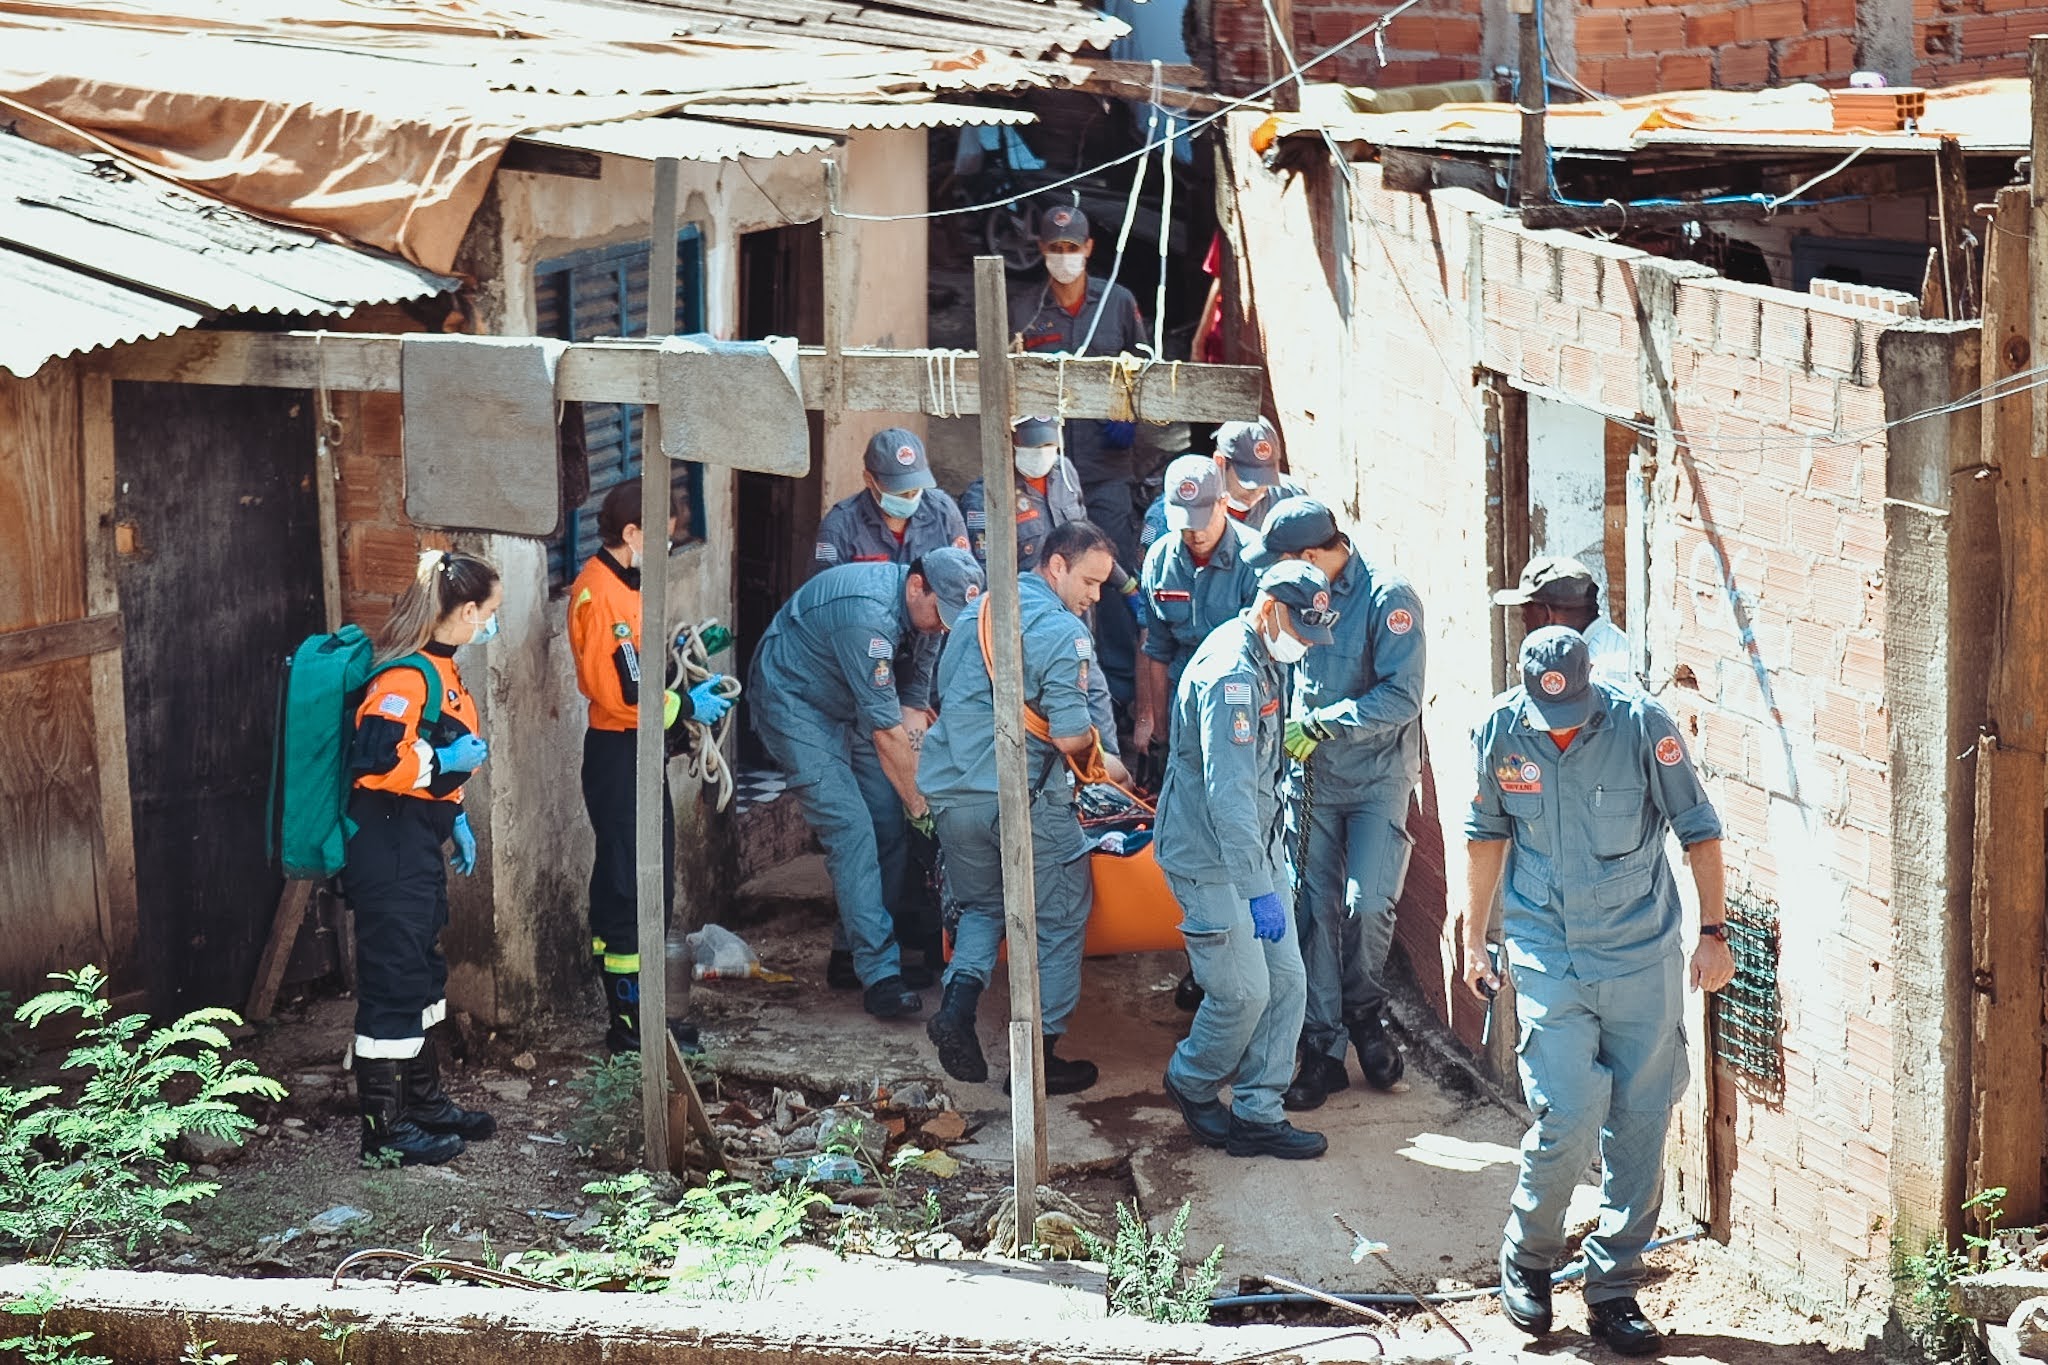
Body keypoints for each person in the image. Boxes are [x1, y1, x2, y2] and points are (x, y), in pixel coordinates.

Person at [1463, 627, 1734, 1355]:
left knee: (1642, 1120)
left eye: (1576, 711)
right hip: (1548, 952)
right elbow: (1484, 835)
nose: (1565, 727)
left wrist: (1714, 931)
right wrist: (1473, 936)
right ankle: (1528, 1254)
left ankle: (1612, 1287)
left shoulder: (1642, 722)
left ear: (1591, 684)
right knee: (1570, 1110)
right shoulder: (1499, 730)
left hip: (1640, 954)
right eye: (1551, 715)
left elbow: (1699, 831)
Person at [920, 519, 1124, 1095]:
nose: (1094, 596)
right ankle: (1038, 1059)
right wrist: (1107, 767)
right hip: (1020, 799)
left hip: (951, 791)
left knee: (984, 906)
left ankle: (957, 1008)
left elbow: (944, 694)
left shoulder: (978, 612)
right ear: (1056, 566)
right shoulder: (1064, 634)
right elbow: (1068, 734)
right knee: (1060, 917)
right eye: (1089, 581)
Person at [747, 548, 987, 1019]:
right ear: (917, 586)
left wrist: (919, 800)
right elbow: (884, 731)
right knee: (851, 828)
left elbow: (911, 709)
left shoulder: (931, 619)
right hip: (795, 701)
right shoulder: (868, 616)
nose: (944, 627)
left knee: (887, 821)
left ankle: (850, 954)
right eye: (942, 614)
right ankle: (880, 976)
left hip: (852, 704)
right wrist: (926, 812)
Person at [1156, 559, 1339, 1161]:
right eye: (1299, 631)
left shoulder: (1266, 659)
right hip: (1212, 859)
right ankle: (1192, 1079)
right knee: (1241, 993)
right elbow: (1228, 795)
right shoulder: (1231, 673)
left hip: (1257, 853)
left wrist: (1267, 870)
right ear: (1268, 609)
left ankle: (1259, 1112)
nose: (1303, 647)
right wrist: (1259, 887)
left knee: (1287, 982)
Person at [1249, 497, 1426, 1112]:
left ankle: (1364, 1010)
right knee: (1312, 911)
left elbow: (1404, 696)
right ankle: (1321, 1048)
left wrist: (1324, 724)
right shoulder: (1294, 590)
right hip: (1312, 777)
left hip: (1376, 775)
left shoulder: (1387, 597)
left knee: (1366, 903)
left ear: (1309, 555)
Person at [344, 550, 503, 1167]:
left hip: (415, 839)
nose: (490, 624)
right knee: (391, 980)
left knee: (420, 972)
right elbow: (379, 761)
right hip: (386, 847)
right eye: (488, 613)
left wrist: (455, 813)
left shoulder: (442, 671)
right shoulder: (404, 679)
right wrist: (445, 766)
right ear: (464, 611)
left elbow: (434, 749)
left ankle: (424, 1104)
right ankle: (383, 1133)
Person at [567, 481, 733, 1056]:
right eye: (659, 534)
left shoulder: (626, 588)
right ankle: (629, 1024)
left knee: (648, 883)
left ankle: (645, 1015)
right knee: (629, 886)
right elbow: (619, 694)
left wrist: (686, 690)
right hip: (619, 753)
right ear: (631, 533)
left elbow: (640, 679)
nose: (666, 545)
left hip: (636, 750)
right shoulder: (601, 596)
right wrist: (685, 706)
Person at [1011, 205, 1148, 712]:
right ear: (1042, 251)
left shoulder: (1118, 303)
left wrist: (1131, 414)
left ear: (1089, 249)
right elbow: (1009, 379)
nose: (1064, 258)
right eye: (1054, 249)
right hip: (1045, 470)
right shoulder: (1026, 310)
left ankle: (1114, 695)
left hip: (1106, 468)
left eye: (1073, 249)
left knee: (1108, 580)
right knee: (1051, 570)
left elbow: (1149, 367)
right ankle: (1049, 681)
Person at [961, 414, 1139, 785]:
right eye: (1032, 447)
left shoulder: (1066, 472)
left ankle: (1111, 781)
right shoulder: (988, 493)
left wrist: (1125, 585)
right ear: (1012, 443)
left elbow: (1084, 540)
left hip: (1076, 616)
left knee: (1095, 690)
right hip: (1031, 630)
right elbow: (987, 571)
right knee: (1052, 713)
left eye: (1048, 447)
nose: (1041, 456)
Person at [1132, 454, 1260, 756]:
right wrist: (1159, 727)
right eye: (1186, 524)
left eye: (1203, 521)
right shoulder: (1160, 561)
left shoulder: (1254, 558)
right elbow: (1157, 648)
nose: (1196, 534)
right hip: (1183, 696)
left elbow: (1264, 655)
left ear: (1223, 504)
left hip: (1239, 697)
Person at [1140, 417, 1305, 552]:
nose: (1258, 490)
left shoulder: (1292, 500)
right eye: (1248, 481)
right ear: (1220, 462)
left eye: (1266, 479)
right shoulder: (1174, 513)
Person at [1492, 554, 1633, 689]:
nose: (1523, 619)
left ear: (1547, 615)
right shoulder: (1575, 653)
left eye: (1526, 611)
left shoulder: (1607, 666)